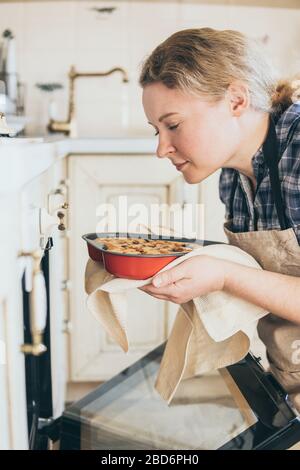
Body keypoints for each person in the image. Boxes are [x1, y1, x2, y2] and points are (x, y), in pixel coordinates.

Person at [138, 28, 300, 409]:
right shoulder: (231, 174)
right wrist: (187, 259)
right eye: (157, 130)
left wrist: (223, 275)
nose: (162, 148)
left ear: (236, 100)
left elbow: (241, 277)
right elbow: (266, 281)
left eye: (173, 125)